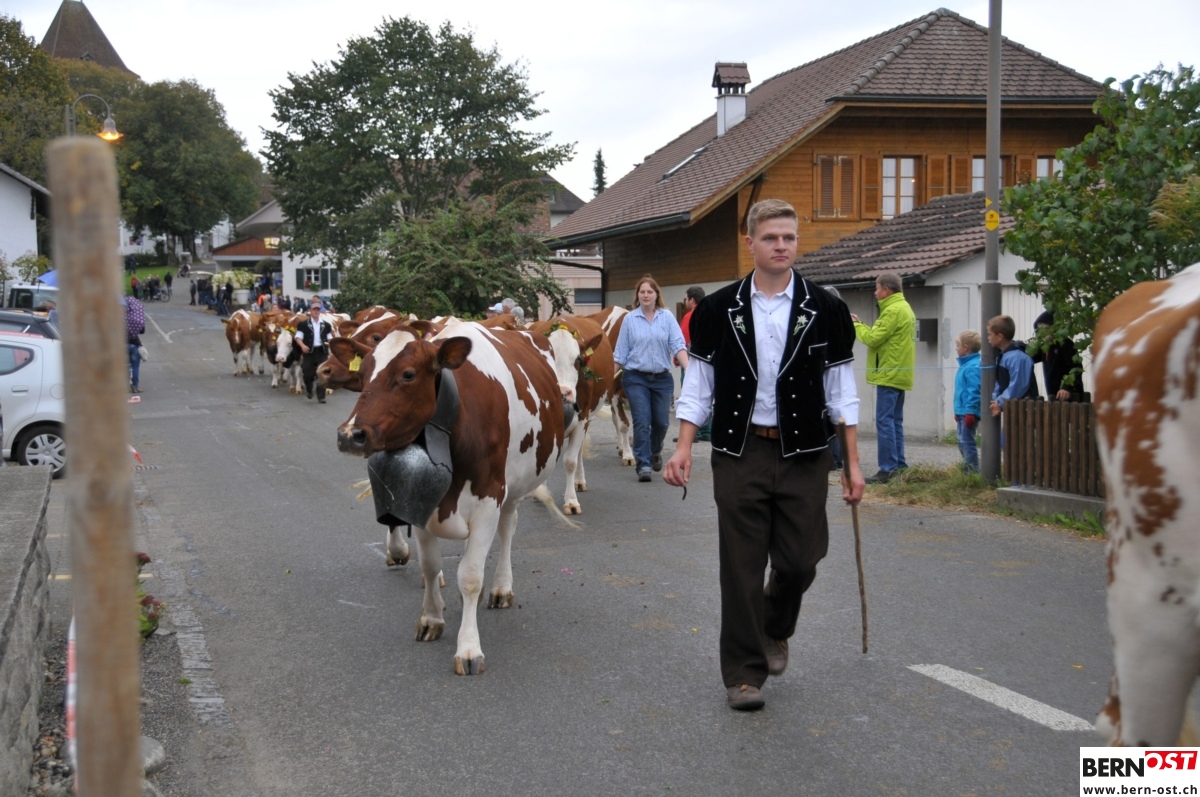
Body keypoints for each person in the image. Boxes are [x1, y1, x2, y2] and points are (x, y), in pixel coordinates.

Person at [664, 198, 865, 712]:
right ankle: (743, 674)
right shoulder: (717, 309)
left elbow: (842, 393)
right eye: (771, 237)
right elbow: (698, 387)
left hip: (805, 452)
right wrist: (684, 447)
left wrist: (853, 464)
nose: (781, 246)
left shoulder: (826, 309)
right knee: (741, 566)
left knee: (800, 560)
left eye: (789, 238)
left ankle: (776, 624)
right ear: (750, 242)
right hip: (740, 450)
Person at [613, 275, 688, 482]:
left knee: (662, 422)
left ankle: (655, 450)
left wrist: (689, 369)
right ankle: (643, 464)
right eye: (642, 292)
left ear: (656, 295)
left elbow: (678, 344)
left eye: (649, 292)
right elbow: (620, 354)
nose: (646, 295)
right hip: (636, 377)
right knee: (642, 420)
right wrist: (606, 378)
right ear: (637, 295)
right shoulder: (630, 319)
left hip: (662, 379)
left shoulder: (667, 317)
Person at [851, 273, 916, 484]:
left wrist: (856, 325)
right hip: (900, 372)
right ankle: (899, 466)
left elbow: (873, 338)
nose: (875, 292)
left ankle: (887, 469)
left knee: (885, 421)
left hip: (889, 373)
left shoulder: (892, 310)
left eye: (877, 288)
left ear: (887, 290)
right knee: (895, 421)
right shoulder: (904, 307)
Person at [674, 286, 710, 443]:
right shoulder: (710, 313)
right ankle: (707, 431)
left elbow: (683, 339)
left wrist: (678, 359)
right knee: (707, 394)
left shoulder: (689, 317)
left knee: (690, 395)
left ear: (692, 300)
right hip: (708, 361)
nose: (685, 302)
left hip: (691, 361)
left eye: (686, 299)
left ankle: (693, 432)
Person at [987, 314, 1039, 419]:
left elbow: (1017, 385)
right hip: (1013, 408)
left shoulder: (1017, 357)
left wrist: (1000, 402)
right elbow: (999, 381)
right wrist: (996, 400)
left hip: (1025, 409)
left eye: (990, 334)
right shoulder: (1002, 355)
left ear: (1000, 337)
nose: (988, 338)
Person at [1030, 311, 1084, 401]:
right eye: (1039, 330)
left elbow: (1076, 368)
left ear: (1054, 328)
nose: (1042, 333)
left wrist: (1066, 387)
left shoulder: (1066, 344)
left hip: (1069, 396)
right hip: (1054, 396)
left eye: (1045, 329)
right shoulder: (1046, 346)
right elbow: (1032, 355)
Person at [953, 329, 982, 473]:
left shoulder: (972, 367)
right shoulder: (965, 366)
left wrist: (970, 411)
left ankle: (971, 470)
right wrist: (957, 411)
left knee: (967, 441)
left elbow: (974, 391)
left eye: (957, 345)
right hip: (962, 411)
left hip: (968, 412)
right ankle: (967, 469)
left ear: (965, 347)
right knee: (961, 441)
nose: (956, 349)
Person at [294, 300, 333, 402]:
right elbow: (298, 337)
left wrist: (331, 345)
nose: (316, 311)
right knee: (307, 372)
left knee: (322, 373)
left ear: (320, 311)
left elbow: (330, 338)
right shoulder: (304, 324)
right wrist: (302, 346)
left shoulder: (326, 325)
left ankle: (321, 397)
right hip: (309, 351)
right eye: (314, 309)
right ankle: (309, 389)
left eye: (318, 309)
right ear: (310, 311)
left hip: (321, 351)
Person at [125, 296, 146, 393]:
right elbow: (142, 330)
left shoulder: (116, 319)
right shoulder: (134, 319)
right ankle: (135, 386)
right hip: (133, 345)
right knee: (135, 366)